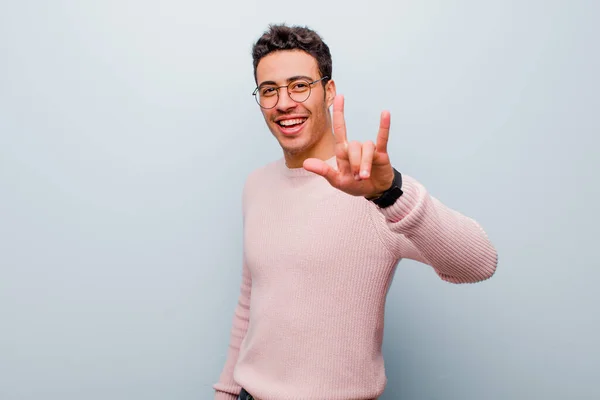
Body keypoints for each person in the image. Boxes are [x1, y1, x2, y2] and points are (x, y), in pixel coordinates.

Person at [212, 24, 498, 400]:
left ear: (328, 91)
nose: (284, 103)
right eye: (270, 90)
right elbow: (250, 306)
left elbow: (479, 263)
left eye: (299, 85)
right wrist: (226, 392)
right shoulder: (256, 185)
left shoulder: (372, 188)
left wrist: (390, 191)